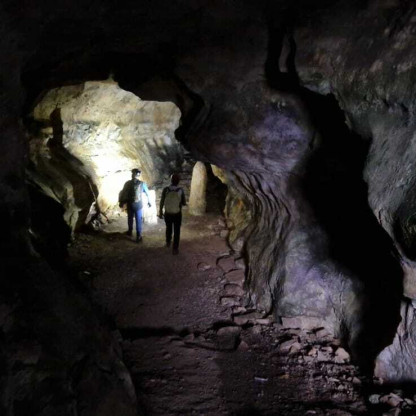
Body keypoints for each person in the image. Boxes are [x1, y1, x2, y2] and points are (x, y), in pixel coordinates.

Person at [119, 168, 151, 242]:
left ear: (132, 175)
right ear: (138, 175)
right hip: (138, 205)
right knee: (138, 220)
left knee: (130, 218)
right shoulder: (142, 184)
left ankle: (130, 231)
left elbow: (123, 193)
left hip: (130, 204)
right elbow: (147, 193)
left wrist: (122, 202)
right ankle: (138, 236)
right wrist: (149, 202)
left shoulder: (127, 183)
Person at [159, 173, 186, 254]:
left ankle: (168, 242)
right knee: (177, 231)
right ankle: (175, 248)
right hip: (177, 213)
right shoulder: (180, 190)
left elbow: (162, 201)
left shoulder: (166, 189)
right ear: (178, 181)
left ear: (171, 180)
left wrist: (160, 211)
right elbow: (184, 203)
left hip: (168, 213)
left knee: (169, 228)